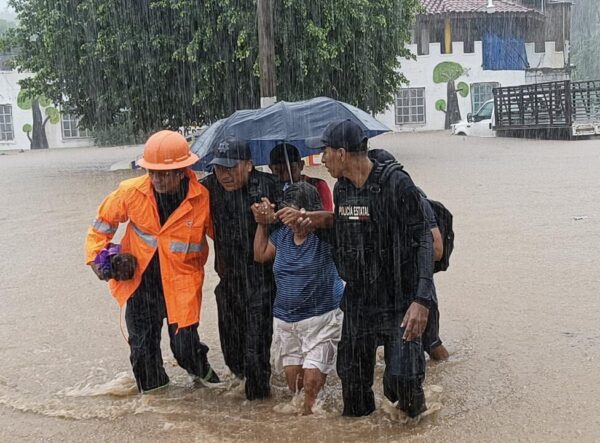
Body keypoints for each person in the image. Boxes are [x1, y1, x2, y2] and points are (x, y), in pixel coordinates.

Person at [277, 120, 435, 418]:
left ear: (341, 153)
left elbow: (424, 240)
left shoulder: (396, 184)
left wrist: (422, 300)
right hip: (360, 300)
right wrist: (310, 220)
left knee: (402, 383)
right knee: (352, 380)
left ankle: (417, 428)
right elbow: (346, 229)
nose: (322, 160)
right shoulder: (343, 189)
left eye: (324, 152)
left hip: (399, 300)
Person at [85, 130, 219, 393]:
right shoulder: (130, 192)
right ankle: (158, 411)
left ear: (182, 171)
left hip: (182, 283)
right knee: (143, 355)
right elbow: (99, 229)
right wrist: (102, 262)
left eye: (164, 173)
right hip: (141, 284)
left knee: (185, 350)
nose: (157, 179)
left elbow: (224, 238)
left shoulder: (202, 198)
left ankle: (211, 383)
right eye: (152, 172)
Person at [200, 137, 282, 401]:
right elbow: (180, 195)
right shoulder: (208, 188)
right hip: (228, 279)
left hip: (261, 280)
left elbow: (296, 212)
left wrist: (273, 216)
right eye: (218, 168)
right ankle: (243, 393)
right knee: (232, 354)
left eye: (230, 167)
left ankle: (259, 408)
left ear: (248, 165)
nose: (224, 174)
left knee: (255, 352)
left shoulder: (269, 187)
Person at [252, 182, 344, 415]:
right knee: (296, 388)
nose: (293, 222)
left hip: (321, 320)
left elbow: (337, 219)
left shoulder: (326, 236)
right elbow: (260, 254)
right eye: (288, 215)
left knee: (311, 388)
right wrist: (262, 224)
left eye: (297, 215)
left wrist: (311, 218)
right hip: (286, 322)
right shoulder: (282, 235)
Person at [368, 148, 449, 361]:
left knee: (431, 344)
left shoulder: (413, 199)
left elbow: (437, 249)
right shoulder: (371, 199)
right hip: (386, 289)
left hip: (416, 289)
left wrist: (404, 260)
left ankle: (443, 375)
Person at [269, 143, 334, 211]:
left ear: (301, 165)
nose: (285, 177)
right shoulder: (269, 189)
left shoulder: (318, 185)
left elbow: (326, 216)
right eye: (278, 171)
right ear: (270, 168)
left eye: (291, 170)